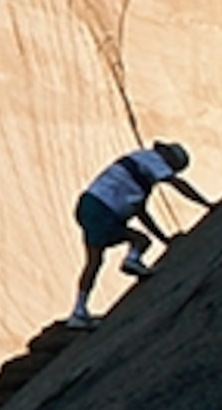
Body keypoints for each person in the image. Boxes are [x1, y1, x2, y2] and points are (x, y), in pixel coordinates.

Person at [69, 141, 211, 328]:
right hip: (104, 210)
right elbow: (177, 184)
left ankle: (79, 311)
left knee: (95, 261)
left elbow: (140, 212)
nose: (171, 171)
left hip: (89, 205)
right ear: (168, 156)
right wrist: (207, 204)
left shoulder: (140, 171)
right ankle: (132, 260)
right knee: (140, 241)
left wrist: (165, 240)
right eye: (173, 167)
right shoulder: (153, 159)